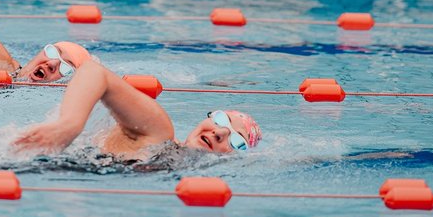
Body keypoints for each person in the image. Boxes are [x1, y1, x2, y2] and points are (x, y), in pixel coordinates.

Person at [13, 59, 261, 159]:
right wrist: (69, 125)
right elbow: (93, 71)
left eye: (237, 140)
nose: (220, 133)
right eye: (220, 120)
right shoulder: (159, 132)